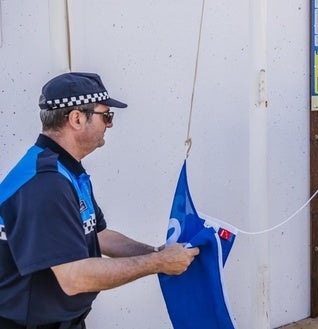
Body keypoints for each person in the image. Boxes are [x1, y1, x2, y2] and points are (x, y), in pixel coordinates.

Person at [0, 72, 200, 328]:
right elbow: (74, 278)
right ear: (76, 118)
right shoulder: (45, 183)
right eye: (106, 116)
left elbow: (98, 235)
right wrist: (157, 263)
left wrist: (156, 252)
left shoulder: (65, 169)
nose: (110, 124)